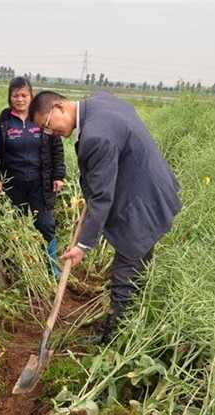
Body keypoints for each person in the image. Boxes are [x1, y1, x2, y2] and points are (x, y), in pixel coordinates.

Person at [28, 90, 182, 342]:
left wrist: (82, 245)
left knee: (125, 274)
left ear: (59, 107)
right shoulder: (100, 102)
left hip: (140, 204)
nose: (50, 133)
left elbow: (102, 197)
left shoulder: (96, 135)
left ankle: (115, 342)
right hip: (150, 190)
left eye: (47, 125)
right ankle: (133, 325)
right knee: (137, 270)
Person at [0, 77, 66, 277]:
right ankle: (18, 268)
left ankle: (52, 268)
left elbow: (57, 149)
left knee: (46, 224)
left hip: (40, 183)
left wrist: (58, 175)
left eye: (24, 95)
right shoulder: (2, 122)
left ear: (31, 96)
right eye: (15, 95)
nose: (20, 99)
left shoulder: (42, 118)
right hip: (13, 184)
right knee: (15, 226)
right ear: (10, 97)